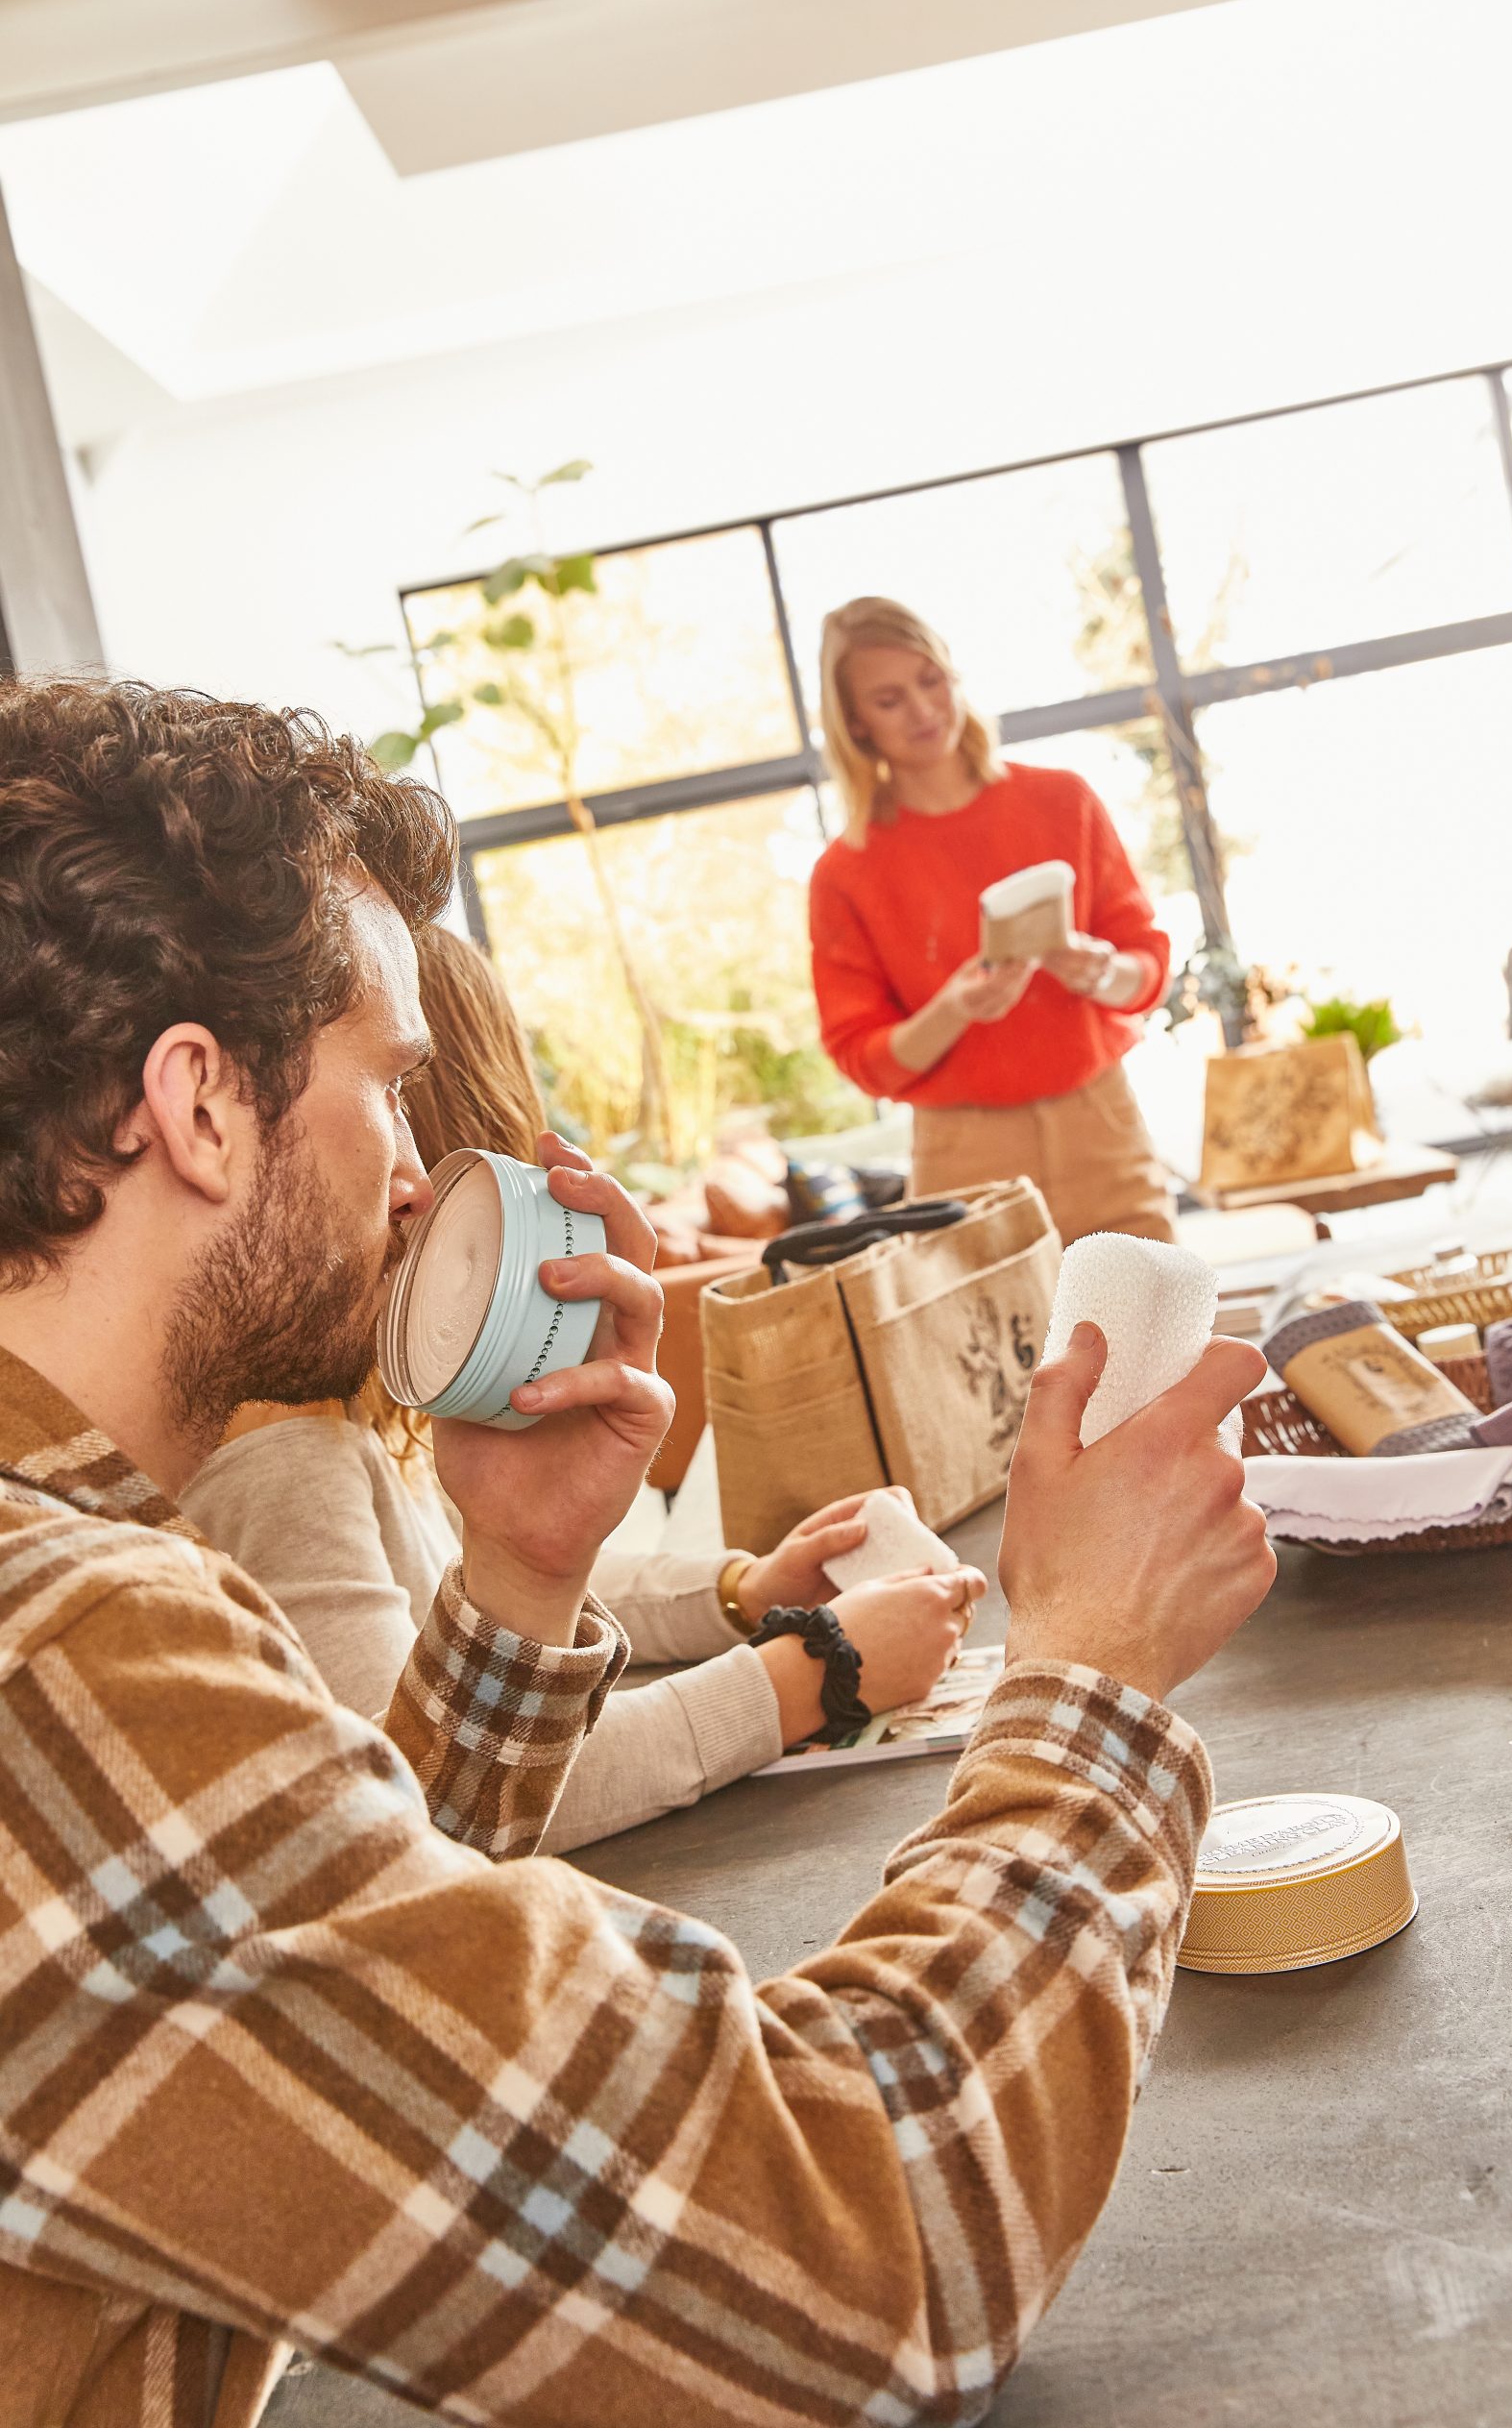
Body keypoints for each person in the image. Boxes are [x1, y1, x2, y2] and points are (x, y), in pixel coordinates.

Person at [0, 675, 1274, 2427]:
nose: (409, 1172)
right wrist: (1090, 1674)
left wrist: (518, 1581)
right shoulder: (56, 1649)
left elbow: (331, 2012)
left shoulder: (79, 1572)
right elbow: (855, 2249)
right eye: (387, 1085)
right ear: (199, 1105)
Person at [182, 923, 986, 1844]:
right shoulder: (280, 1456)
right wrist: (813, 1675)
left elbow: (479, 1616)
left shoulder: (355, 1406)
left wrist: (741, 1594)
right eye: (386, 1089)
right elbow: (425, 1801)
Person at [810, 594, 1176, 1242]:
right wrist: (955, 1008)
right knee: (995, 1347)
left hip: (1101, 1125)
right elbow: (862, 1056)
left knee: (1159, 1336)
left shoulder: (1062, 800)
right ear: (855, 722)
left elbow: (1145, 971)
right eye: (889, 700)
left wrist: (1098, 971)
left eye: (931, 680)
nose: (923, 710)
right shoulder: (846, 872)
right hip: (963, 1156)